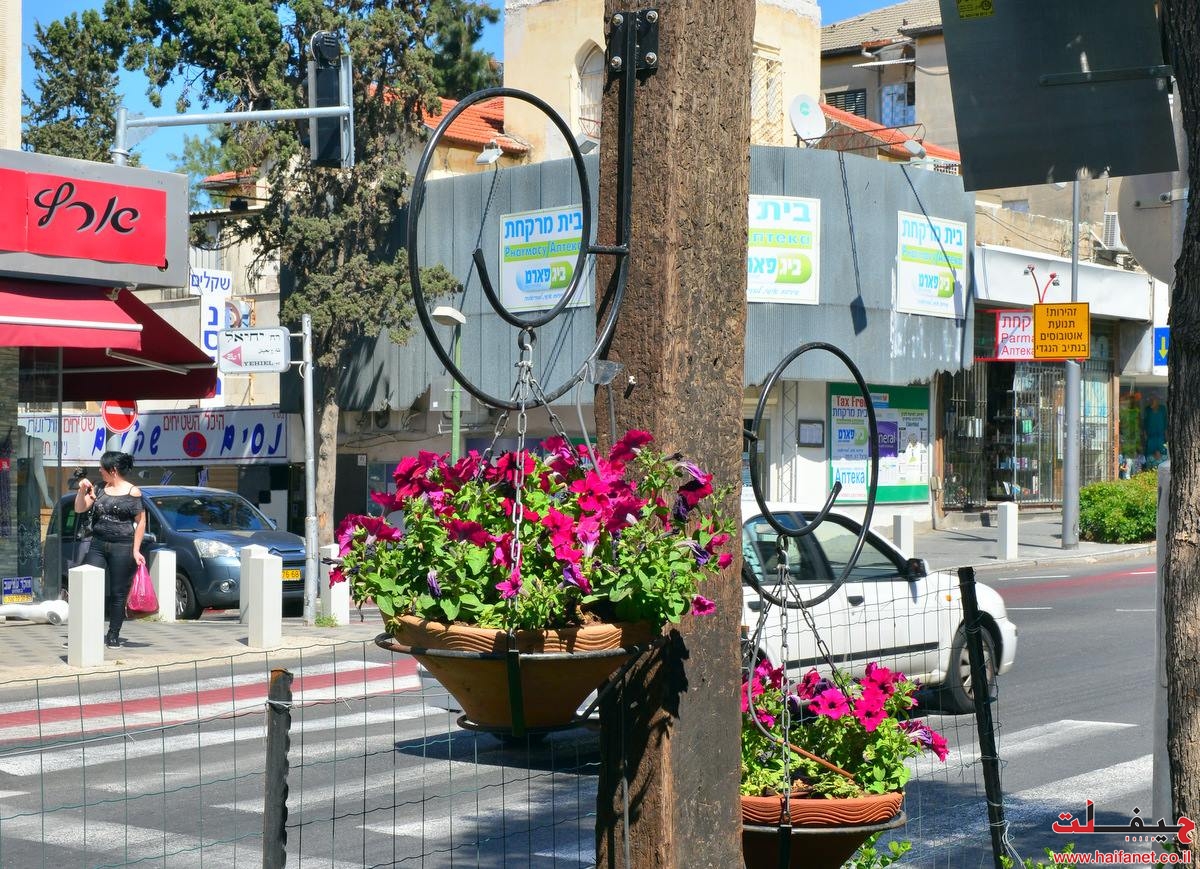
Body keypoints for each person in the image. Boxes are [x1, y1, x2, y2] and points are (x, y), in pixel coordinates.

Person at [74, 451, 146, 648]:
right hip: (98, 543)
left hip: (122, 546)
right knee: (89, 587)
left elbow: (141, 522)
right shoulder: (99, 487)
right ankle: (86, 633)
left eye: (102, 468)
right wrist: (81, 491)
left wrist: (136, 550)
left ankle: (113, 634)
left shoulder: (133, 492)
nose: (99, 470)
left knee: (117, 592)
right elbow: (80, 508)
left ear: (113, 470)